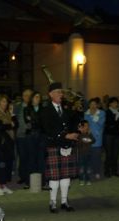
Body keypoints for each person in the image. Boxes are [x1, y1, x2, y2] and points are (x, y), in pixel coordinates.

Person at [40, 82, 78, 213]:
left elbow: (74, 123)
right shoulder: (45, 111)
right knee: (55, 176)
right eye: (57, 92)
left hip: (67, 145)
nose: (60, 94)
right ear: (50, 94)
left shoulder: (67, 110)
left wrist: (74, 134)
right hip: (54, 145)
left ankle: (64, 201)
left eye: (61, 92)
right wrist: (65, 135)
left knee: (65, 175)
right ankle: (52, 202)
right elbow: (48, 129)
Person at [0, 94, 15, 196]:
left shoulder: (7, 113)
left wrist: (9, 124)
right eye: (3, 101)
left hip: (7, 142)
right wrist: (9, 125)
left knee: (6, 163)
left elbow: (14, 124)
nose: (5, 104)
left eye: (6, 102)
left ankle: (3, 185)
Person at [15, 89, 33, 188]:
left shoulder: (33, 107)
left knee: (30, 156)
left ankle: (29, 177)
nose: (27, 97)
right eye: (25, 95)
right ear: (22, 97)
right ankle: (22, 176)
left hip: (30, 136)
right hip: (20, 135)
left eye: (29, 95)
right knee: (22, 157)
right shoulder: (17, 107)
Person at [104, 97, 119, 177]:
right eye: (113, 102)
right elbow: (109, 123)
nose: (115, 104)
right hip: (109, 135)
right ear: (110, 104)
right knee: (109, 154)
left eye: (116, 103)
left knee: (116, 154)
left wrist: (117, 122)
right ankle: (107, 171)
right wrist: (117, 122)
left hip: (118, 135)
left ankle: (114, 170)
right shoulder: (107, 112)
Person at [84, 98, 105, 179]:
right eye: (91, 104)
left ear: (97, 105)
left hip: (97, 138)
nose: (93, 106)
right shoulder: (86, 113)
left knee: (97, 156)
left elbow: (101, 123)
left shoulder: (102, 113)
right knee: (88, 156)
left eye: (94, 104)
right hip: (87, 138)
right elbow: (84, 124)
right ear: (89, 105)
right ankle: (89, 170)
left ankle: (97, 171)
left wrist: (93, 116)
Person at [77, 120, 95, 185]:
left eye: (88, 126)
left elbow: (93, 140)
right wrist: (81, 134)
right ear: (81, 127)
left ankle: (88, 179)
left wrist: (89, 134)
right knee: (81, 167)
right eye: (85, 126)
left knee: (88, 167)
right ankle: (81, 179)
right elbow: (79, 143)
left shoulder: (89, 134)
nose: (87, 127)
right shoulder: (79, 134)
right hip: (81, 154)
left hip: (89, 153)